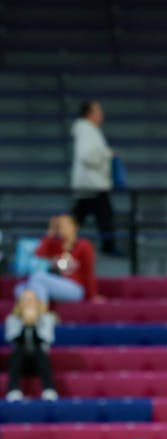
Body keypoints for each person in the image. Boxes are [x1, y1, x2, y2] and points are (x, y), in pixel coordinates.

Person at [16, 214, 100, 305]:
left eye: (65, 225)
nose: (62, 228)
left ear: (75, 227)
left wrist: (93, 295)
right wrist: (51, 232)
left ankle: (42, 313)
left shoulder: (84, 245)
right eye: (59, 226)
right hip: (55, 284)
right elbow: (38, 254)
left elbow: (88, 272)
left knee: (38, 277)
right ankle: (39, 310)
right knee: (19, 289)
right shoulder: (55, 245)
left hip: (75, 287)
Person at [71, 100, 119, 256]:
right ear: (89, 114)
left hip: (91, 183)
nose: (101, 114)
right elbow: (87, 156)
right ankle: (108, 246)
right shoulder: (86, 130)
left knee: (79, 216)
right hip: (92, 184)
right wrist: (107, 154)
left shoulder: (89, 130)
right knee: (103, 215)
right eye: (98, 111)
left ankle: (61, 241)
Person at [5, 289, 58, 401]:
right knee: (17, 351)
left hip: (39, 362)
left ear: (37, 302)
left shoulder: (46, 318)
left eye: (31, 300)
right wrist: (25, 324)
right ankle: (13, 390)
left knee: (40, 351)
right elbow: (12, 340)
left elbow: (46, 340)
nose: (28, 302)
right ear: (20, 303)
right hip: (20, 362)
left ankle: (49, 389)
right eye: (25, 299)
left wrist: (33, 324)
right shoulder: (12, 318)